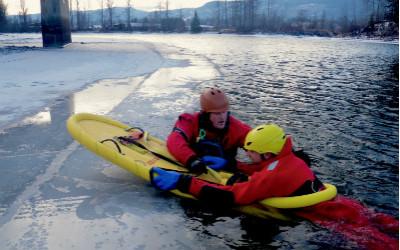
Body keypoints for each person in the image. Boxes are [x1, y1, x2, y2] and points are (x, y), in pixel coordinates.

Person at [155, 124, 323, 206]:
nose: (247, 154)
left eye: (251, 151)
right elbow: (261, 168)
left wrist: (183, 182)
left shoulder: (269, 178)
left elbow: (230, 196)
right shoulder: (292, 159)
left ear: (267, 154)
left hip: (331, 222)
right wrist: (229, 164)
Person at [166, 87, 252, 173]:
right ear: (206, 114)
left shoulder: (238, 129)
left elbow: (263, 154)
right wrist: (192, 160)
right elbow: (173, 140)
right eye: (217, 113)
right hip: (195, 163)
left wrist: (230, 164)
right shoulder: (189, 121)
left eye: (224, 112)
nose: (222, 117)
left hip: (226, 168)